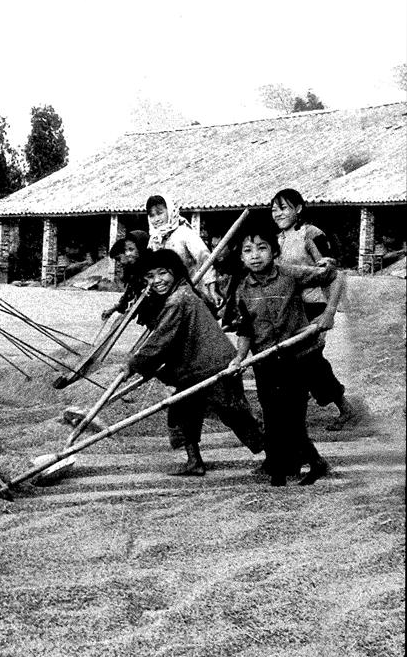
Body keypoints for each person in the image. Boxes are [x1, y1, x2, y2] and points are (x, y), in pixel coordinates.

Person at [126, 248, 264, 477]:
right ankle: (194, 462)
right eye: (150, 276)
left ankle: (282, 453)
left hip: (215, 366)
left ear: (175, 272)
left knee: (236, 415)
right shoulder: (180, 294)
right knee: (182, 410)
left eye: (162, 273)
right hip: (194, 368)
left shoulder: (179, 299)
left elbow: (161, 339)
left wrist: (134, 364)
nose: (157, 281)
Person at [230, 220, 345, 487]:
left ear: (275, 251)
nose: (255, 255)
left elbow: (335, 276)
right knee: (272, 416)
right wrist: (239, 357)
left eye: (262, 248)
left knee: (292, 416)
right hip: (266, 361)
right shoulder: (243, 290)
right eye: (248, 250)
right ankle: (286, 468)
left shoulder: (290, 274)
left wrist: (329, 312)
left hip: (297, 358)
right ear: (241, 256)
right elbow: (245, 328)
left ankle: (304, 465)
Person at [270, 188, 354, 430]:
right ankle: (302, 409)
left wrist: (329, 311)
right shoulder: (276, 239)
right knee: (298, 360)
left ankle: (344, 407)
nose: (277, 214)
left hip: (313, 304)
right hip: (288, 308)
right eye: (274, 210)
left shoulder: (310, 234)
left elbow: (332, 273)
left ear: (298, 209)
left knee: (309, 358)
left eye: (283, 208)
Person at [146, 195, 222, 309]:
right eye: (152, 215)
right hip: (167, 295)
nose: (156, 219)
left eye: (160, 213)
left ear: (170, 211)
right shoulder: (154, 240)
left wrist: (212, 290)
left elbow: (205, 259)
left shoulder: (185, 233)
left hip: (192, 291)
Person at [101, 230, 150, 320]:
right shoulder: (133, 271)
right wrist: (113, 309)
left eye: (119, 259)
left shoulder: (148, 270)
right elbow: (128, 294)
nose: (119, 263)